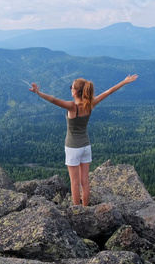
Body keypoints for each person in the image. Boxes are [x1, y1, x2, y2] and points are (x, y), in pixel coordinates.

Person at [29, 74, 138, 206]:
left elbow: (53, 100)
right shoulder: (90, 104)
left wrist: (38, 93)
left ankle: (77, 211)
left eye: (72, 87)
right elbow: (108, 91)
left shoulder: (72, 106)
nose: (70, 89)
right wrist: (124, 82)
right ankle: (86, 209)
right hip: (86, 147)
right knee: (85, 182)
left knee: (75, 183)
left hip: (73, 148)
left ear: (76, 92)